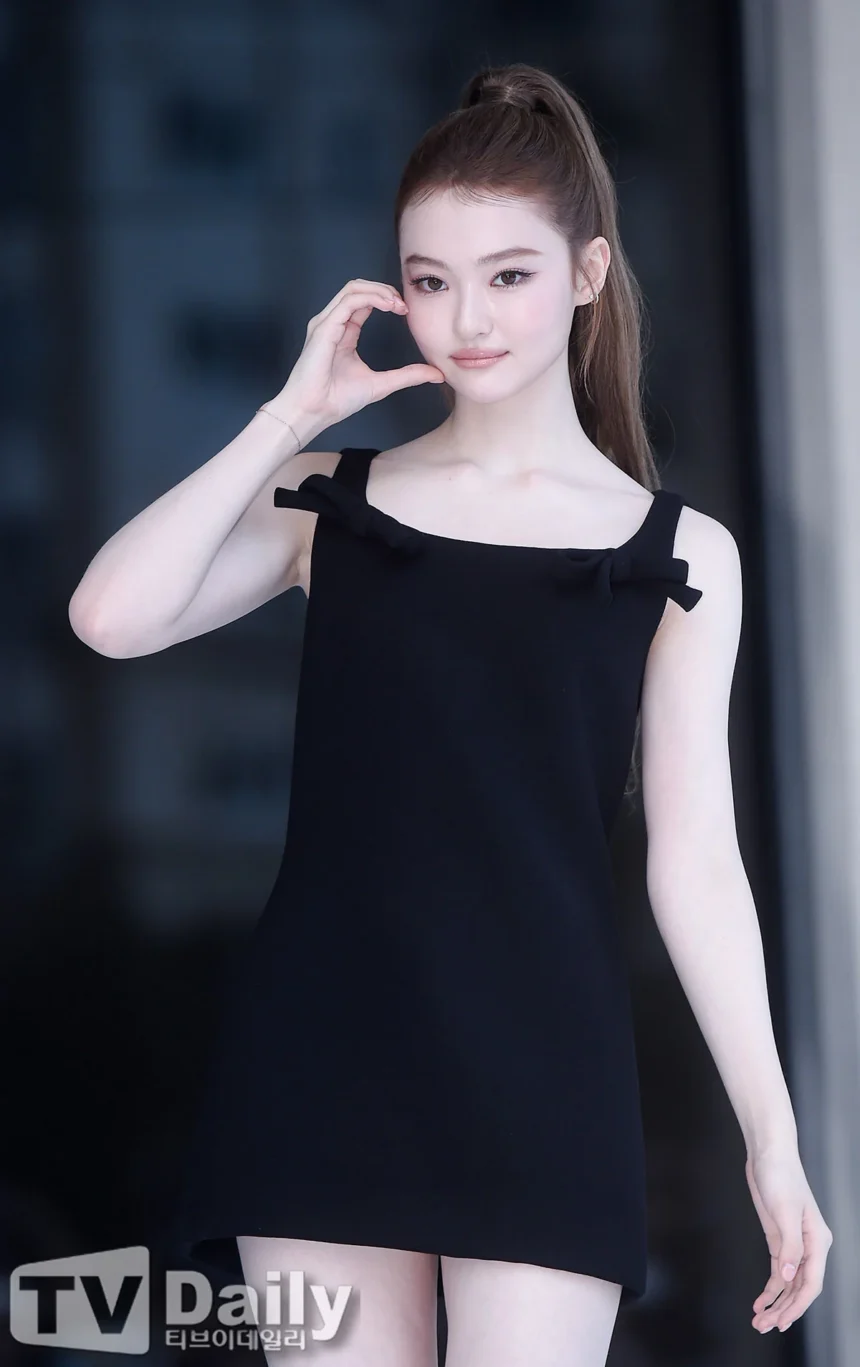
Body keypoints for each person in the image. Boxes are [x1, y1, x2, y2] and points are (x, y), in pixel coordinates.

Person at [69, 61, 832, 1367]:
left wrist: (773, 1135)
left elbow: (697, 862)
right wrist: (285, 418)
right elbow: (110, 618)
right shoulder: (332, 501)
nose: (467, 317)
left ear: (588, 274)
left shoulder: (675, 552)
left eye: (509, 274)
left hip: (545, 1067)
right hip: (322, 1053)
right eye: (430, 279)